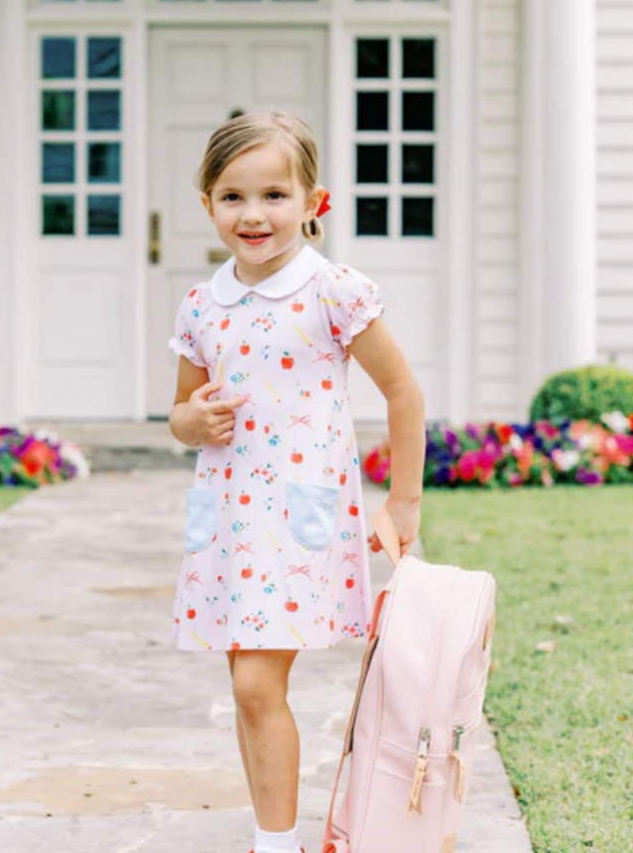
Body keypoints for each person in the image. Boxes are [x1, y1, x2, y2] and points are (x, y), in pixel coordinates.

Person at [167, 111, 425, 853]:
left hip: (298, 514)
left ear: (316, 202)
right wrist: (193, 423)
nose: (254, 215)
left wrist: (402, 501)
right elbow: (180, 412)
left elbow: (403, 393)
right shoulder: (201, 304)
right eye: (233, 196)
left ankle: (277, 846)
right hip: (228, 518)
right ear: (207, 203)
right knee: (249, 690)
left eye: (276, 194)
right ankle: (270, 833)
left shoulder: (334, 292)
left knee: (255, 685)